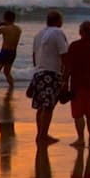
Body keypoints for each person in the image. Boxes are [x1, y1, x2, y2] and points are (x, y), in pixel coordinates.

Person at [28, 11, 69, 145]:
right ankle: (43, 136)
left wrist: (37, 70)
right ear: (58, 21)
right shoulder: (57, 33)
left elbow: (34, 57)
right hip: (51, 73)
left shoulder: (38, 35)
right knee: (48, 107)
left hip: (38, 72)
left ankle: (40, 134)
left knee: (41, 106)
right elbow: (64, 55)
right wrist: (65, 77)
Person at [0, 11, 22, 89]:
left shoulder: (4, 29)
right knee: (7, 72)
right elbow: (11, 27)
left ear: (5, 18)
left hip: (4, 52)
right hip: (13, 52)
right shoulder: (18, 29)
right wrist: (5, 24)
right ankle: (12, 86)